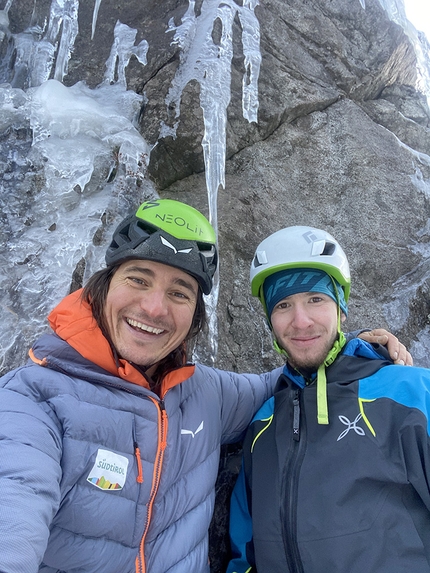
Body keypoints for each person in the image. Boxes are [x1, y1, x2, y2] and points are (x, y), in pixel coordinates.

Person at [0, 202, 409, 573]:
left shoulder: (206, 393)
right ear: (102, 285)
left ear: (195, 313)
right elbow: (15, 511)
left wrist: (353, 344)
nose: (155, 308)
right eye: (139, 280)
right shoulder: (30, 400)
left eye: (179, 292)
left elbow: (294, 375)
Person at [227, 225, 430, 573]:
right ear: (270, 322)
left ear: (341, 308)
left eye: (316, 299)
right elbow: (246, 555)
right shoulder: (262, 423)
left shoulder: (410, 393)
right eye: (284, 305)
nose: (301, 321)